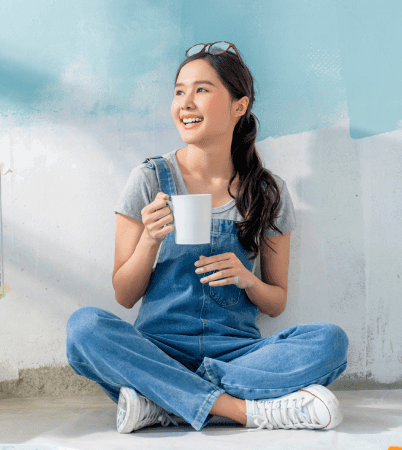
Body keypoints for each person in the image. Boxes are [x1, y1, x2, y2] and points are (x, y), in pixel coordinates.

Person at [66, 41, 349, 433]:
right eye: (179, 91)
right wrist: (150, 239)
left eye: (201, 90)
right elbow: (124, 295)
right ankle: (241, 410)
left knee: (330, 342)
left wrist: (248, 280)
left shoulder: (267, 193)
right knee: (84, 328)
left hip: (236, 356)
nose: (185, 102)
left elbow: (276, 302)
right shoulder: (148, 180)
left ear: (239, 105)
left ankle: (162, 401)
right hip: (156, 351)